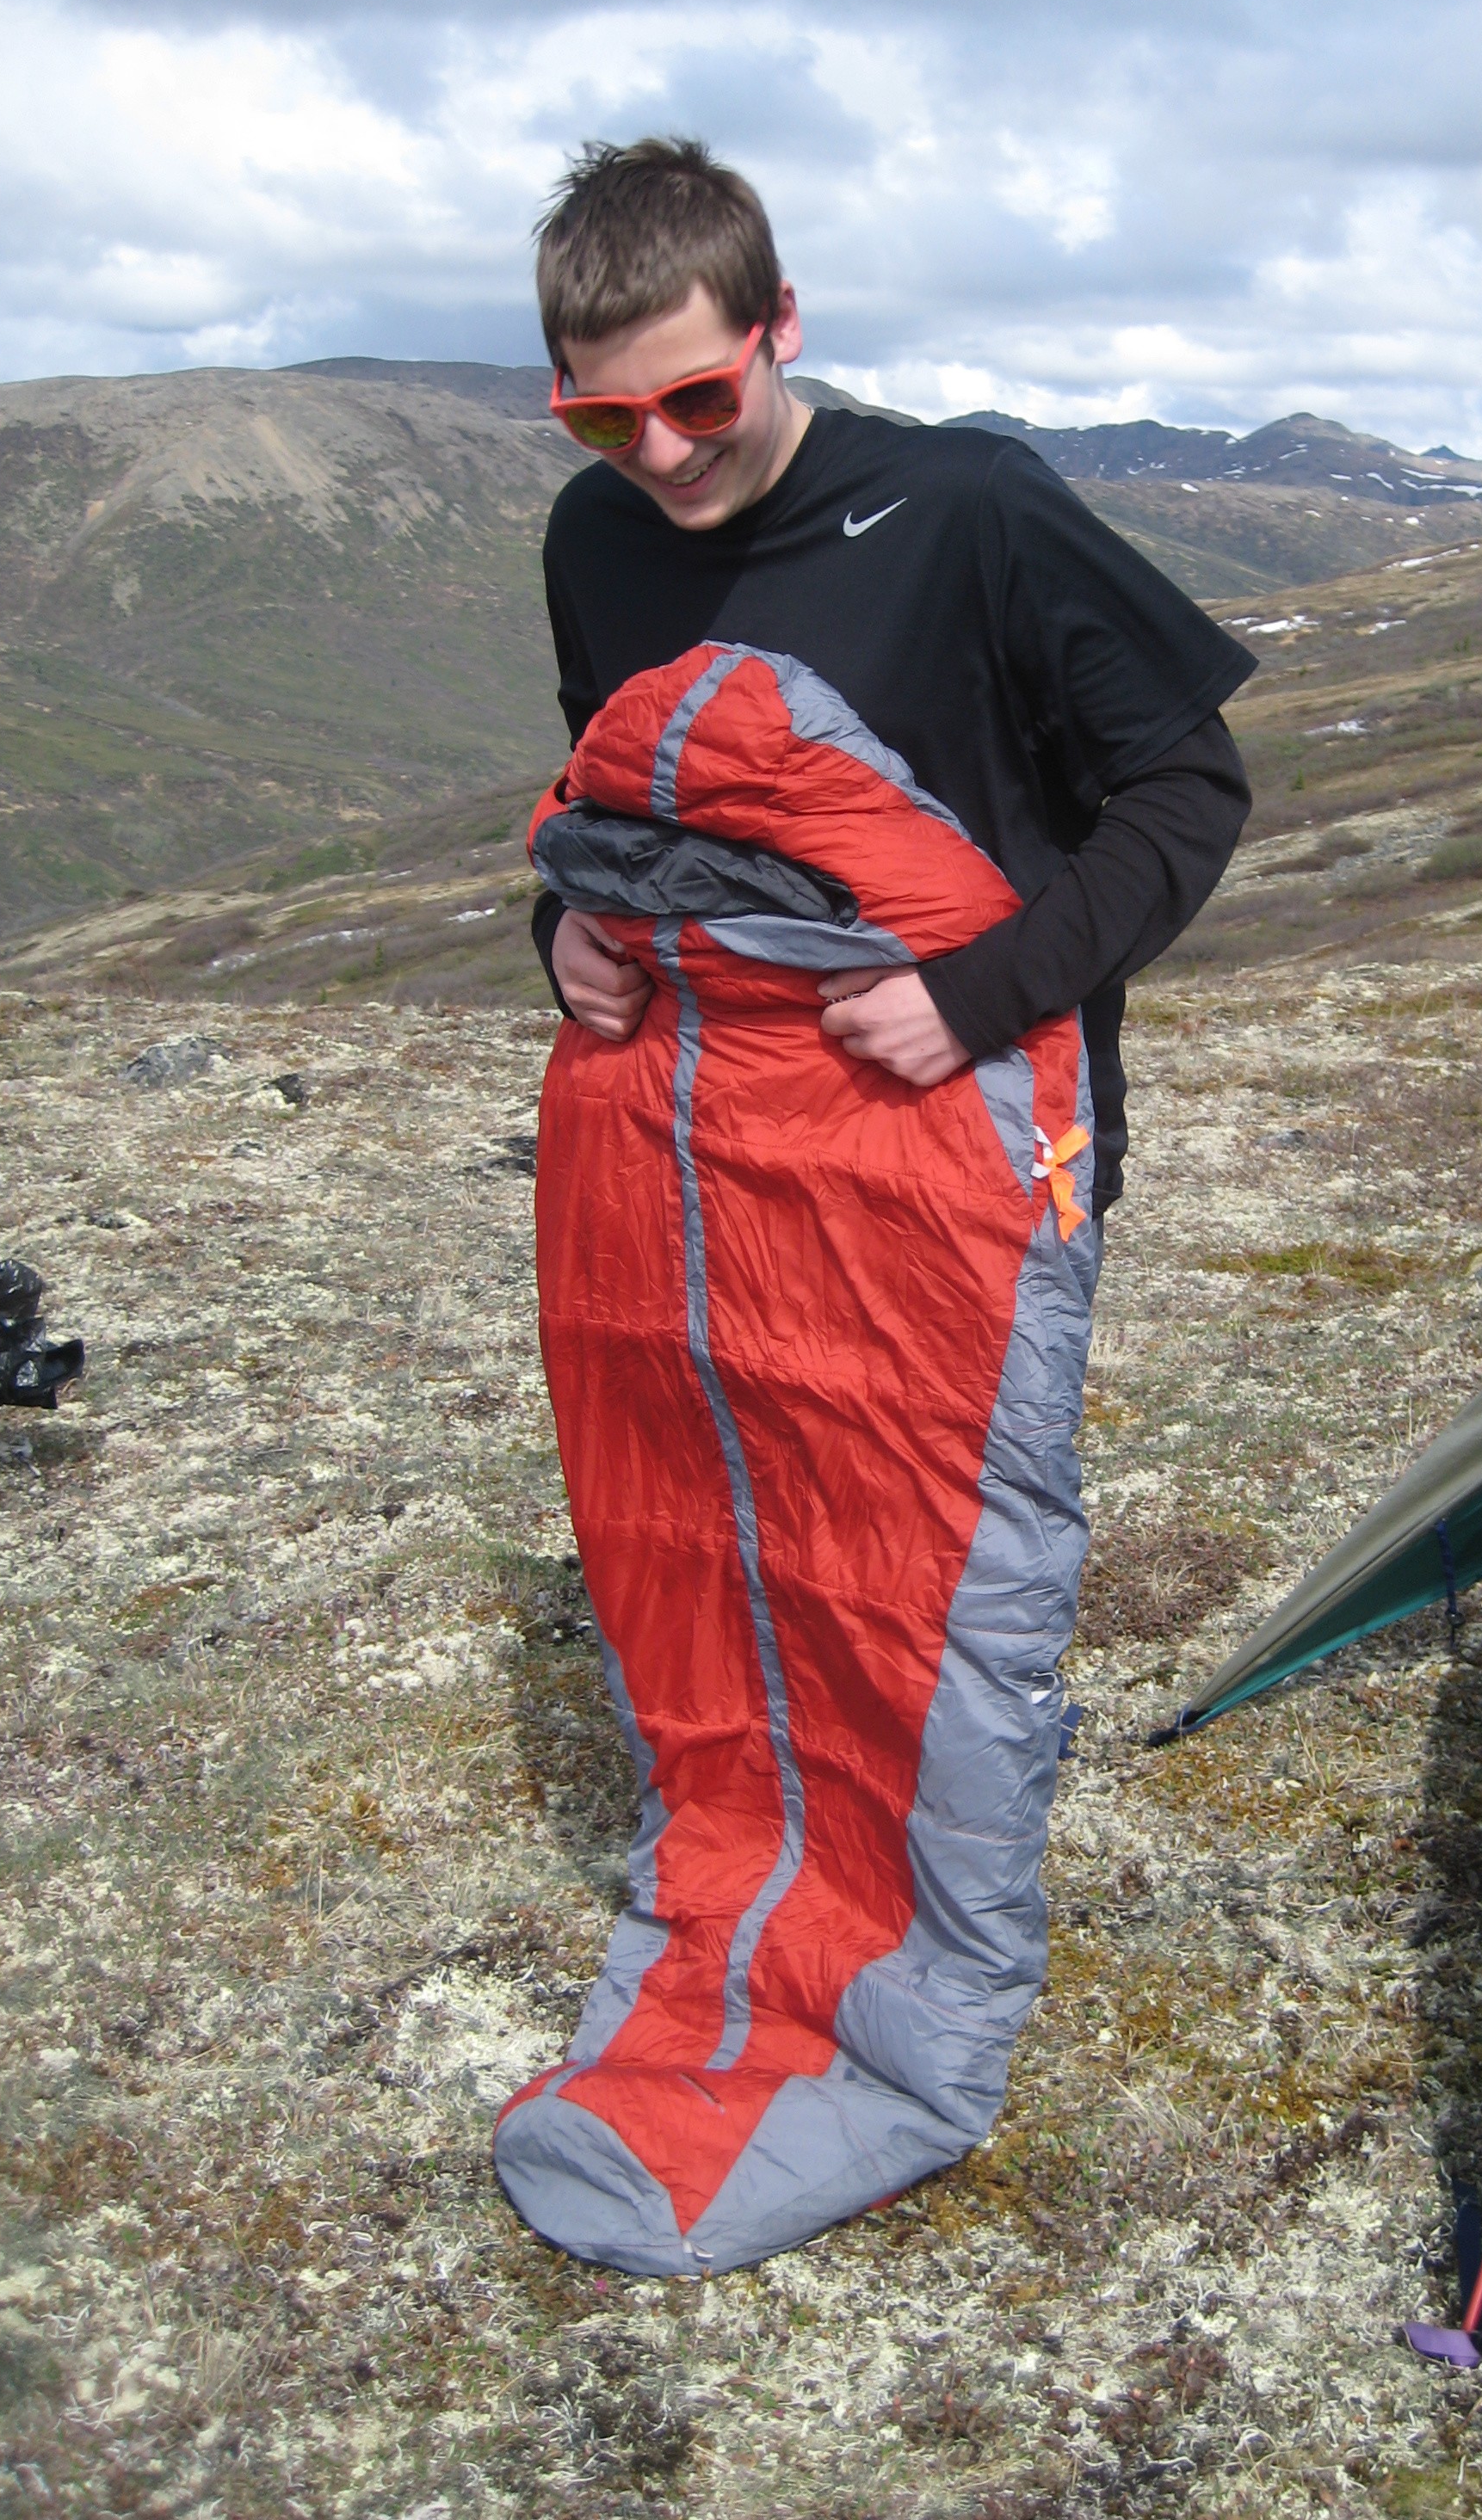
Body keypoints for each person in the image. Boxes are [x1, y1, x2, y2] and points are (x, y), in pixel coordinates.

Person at [491, 137, 1254, 2276]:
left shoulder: (971, 512)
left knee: (935, 1581)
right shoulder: (594, 539)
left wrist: (980, 990)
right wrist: (561, 939)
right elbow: (619, 797)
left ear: (781, 329)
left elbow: (1188, 793)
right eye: (605, 420)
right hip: (714, 1161)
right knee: (743, 1553)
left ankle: (920, 1998)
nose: (660, 457)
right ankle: (769, 1896)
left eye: (697, 399)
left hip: (956, 1155)